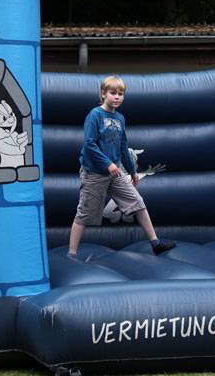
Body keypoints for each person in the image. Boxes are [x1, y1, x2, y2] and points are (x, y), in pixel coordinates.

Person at [67, 76, 174, 257]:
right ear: (103, 94)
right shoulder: (95, 115)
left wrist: (132, 171)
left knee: (137, 202)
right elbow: (89, 144)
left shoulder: (120, 118)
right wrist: (107, 164)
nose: (117, 97)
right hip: (95, 173)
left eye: (121, 94)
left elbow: (123, 147)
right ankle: (72, 253)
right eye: (113, 93)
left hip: (116, 172)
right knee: (84, 213)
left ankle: (155, 243)